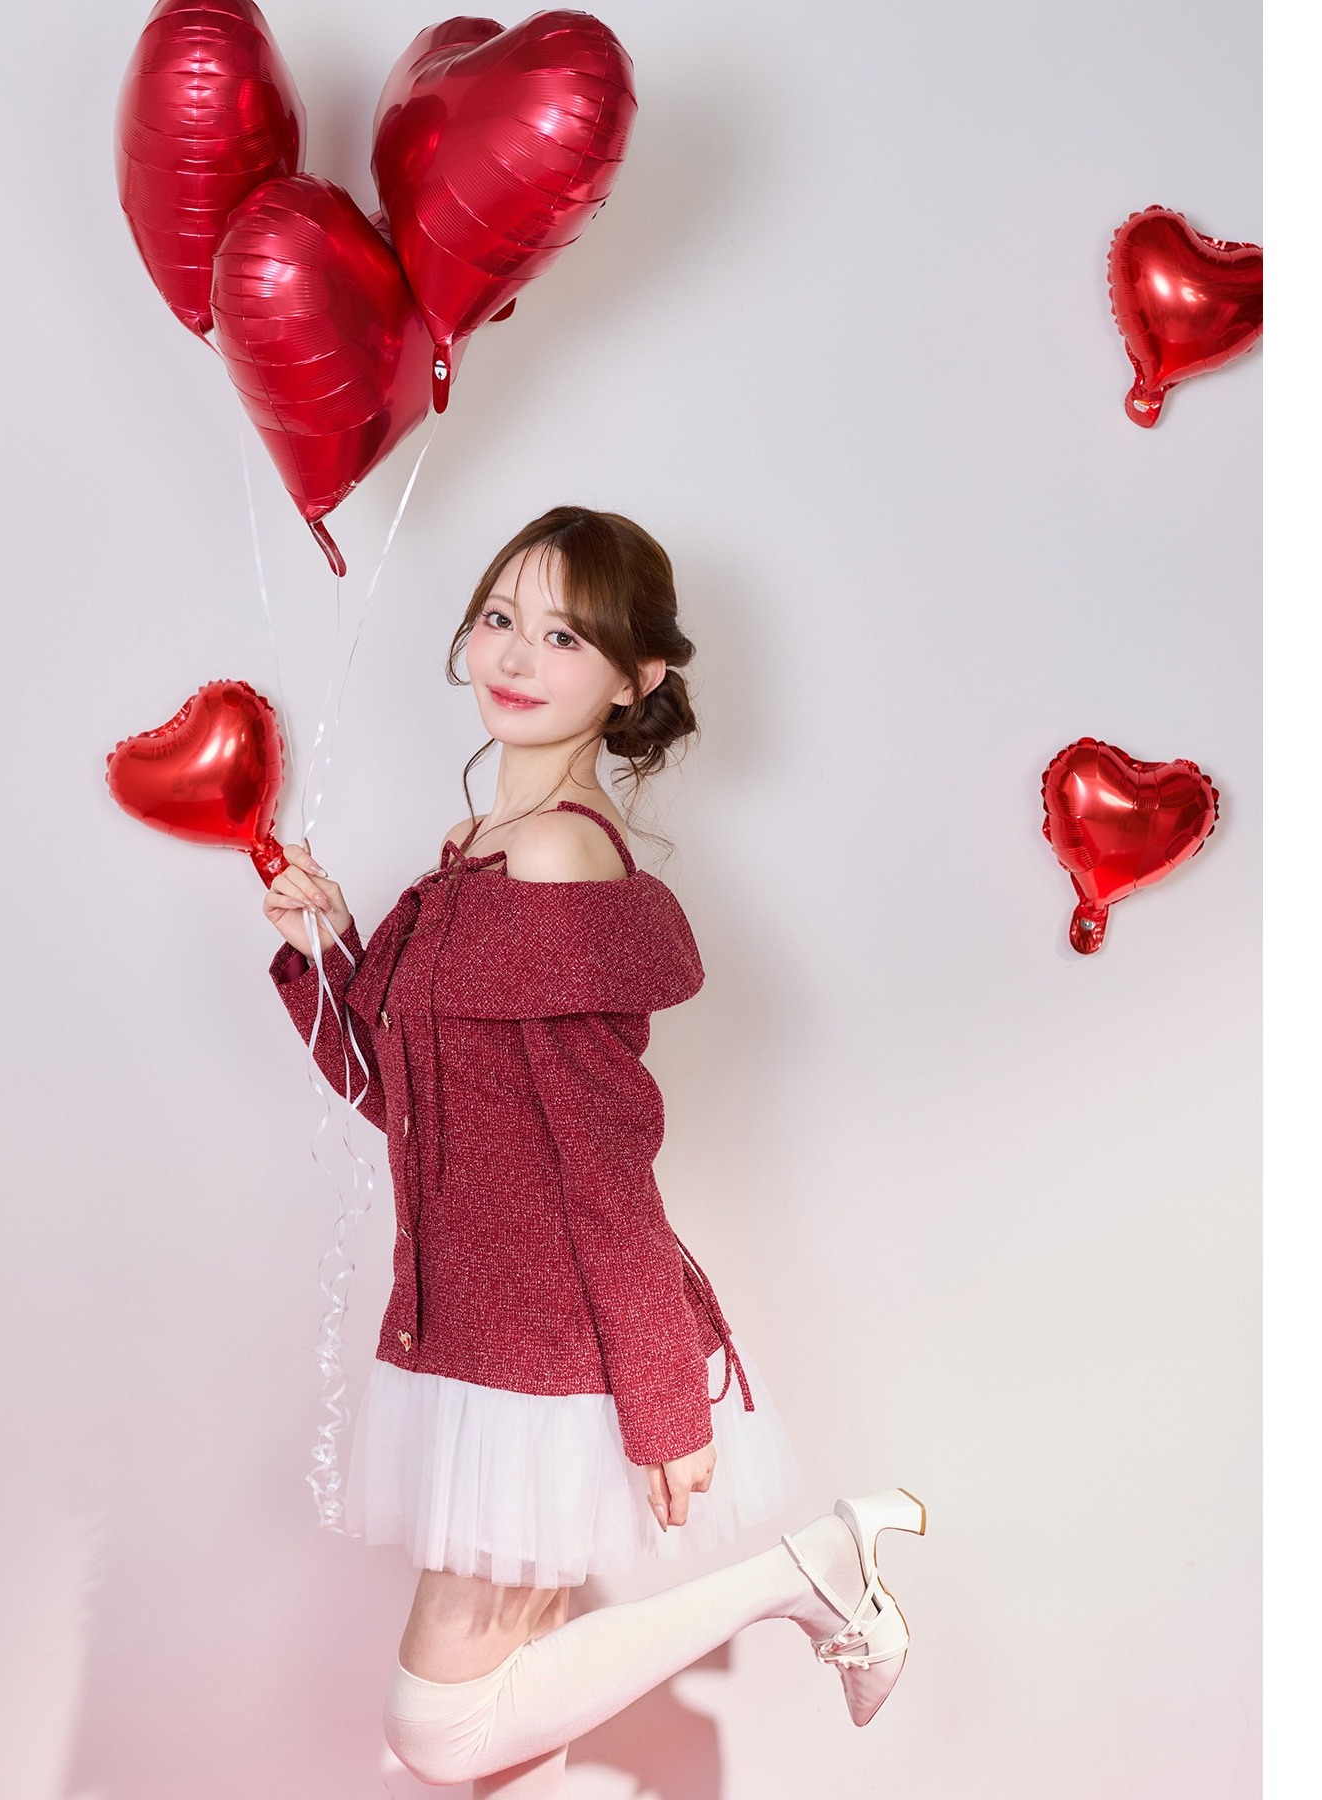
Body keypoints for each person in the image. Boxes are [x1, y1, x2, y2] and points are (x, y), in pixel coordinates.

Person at [263, 507, 924, 1795]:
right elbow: (415, 1113)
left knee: (439, 1727)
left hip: (544, 1347)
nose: (517, 655)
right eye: (500, 617)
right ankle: (811, 1575)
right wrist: (328, 949)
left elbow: (603, 1163)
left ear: (635, 677)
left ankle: (811, 1572)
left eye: (566, 636)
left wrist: (662, 1394)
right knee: (514, 1737)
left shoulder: (559, 857)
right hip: (475, 1336)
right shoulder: (475, 852)